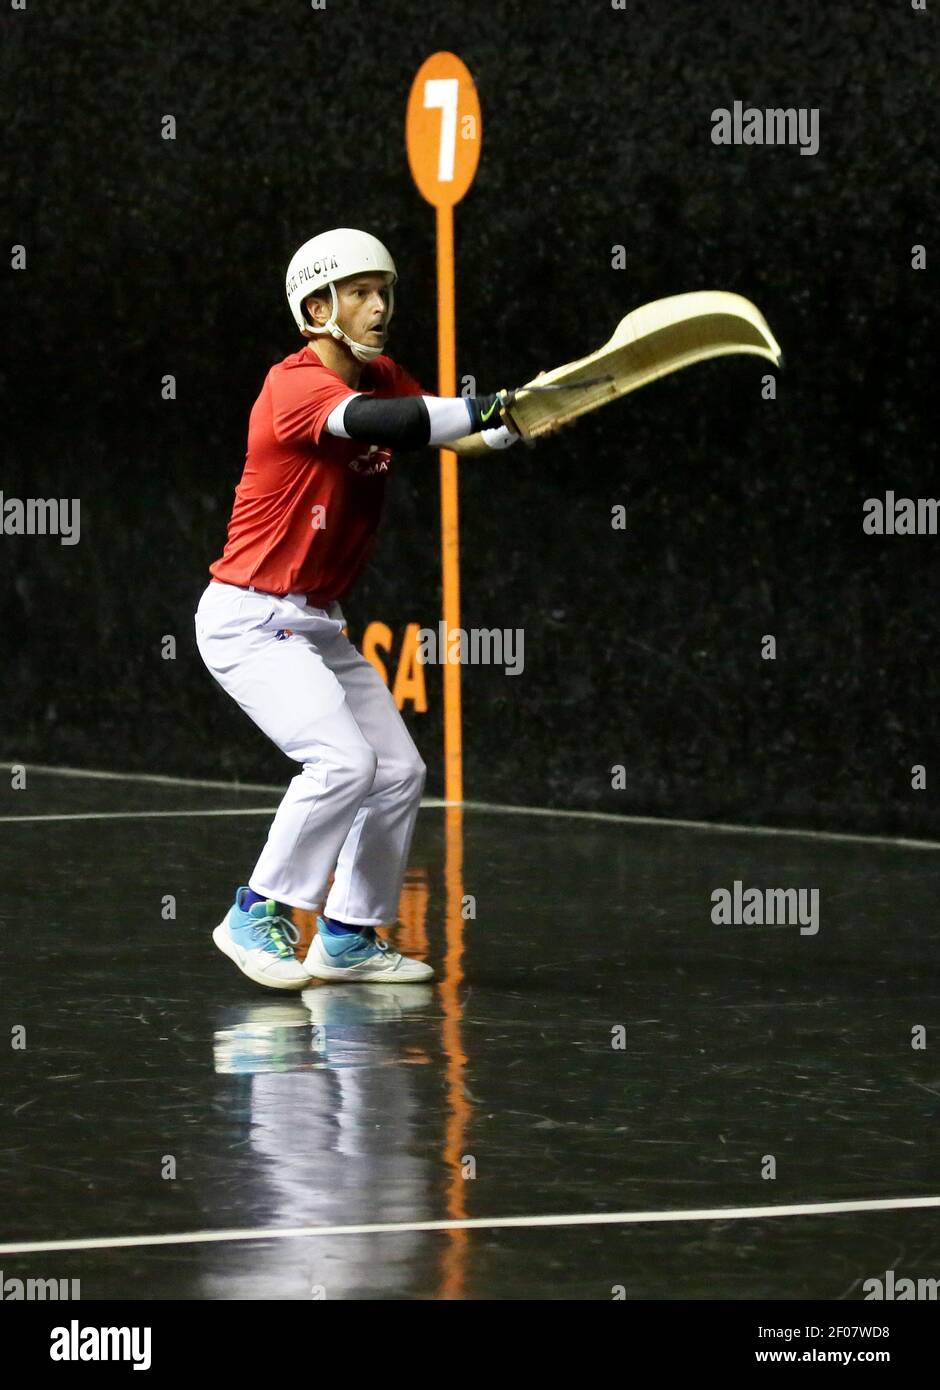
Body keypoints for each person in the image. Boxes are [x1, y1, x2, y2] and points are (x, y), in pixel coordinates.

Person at [195, 227, 521, 989]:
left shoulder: (384, 374)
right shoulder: (295, 385)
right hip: (248, 619)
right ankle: (254, 912)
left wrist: (514, 425)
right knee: (342, 762)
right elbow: (403, 425)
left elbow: (452, 435)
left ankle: (344, 934)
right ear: (317, 308)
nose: (380, 307)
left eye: (385, 292)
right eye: (361, 294)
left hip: (314, 619)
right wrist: (488, 406)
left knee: (398, 771)